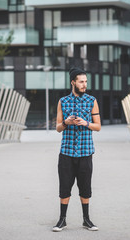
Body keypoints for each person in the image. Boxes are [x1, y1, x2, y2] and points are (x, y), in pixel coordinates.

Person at [52, 67, 101, 232]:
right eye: (81, 81)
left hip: (86, 152)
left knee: (85, 187)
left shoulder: (92, 101)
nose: (84, 84)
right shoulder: (63, 102)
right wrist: (67, 122)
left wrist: (85, 123)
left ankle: (86, 220)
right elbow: (58, 128)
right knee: (64, 187)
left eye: (85, 81)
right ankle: (62, 220)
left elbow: (98, 126)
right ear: (73, 82)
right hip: (66, 152)